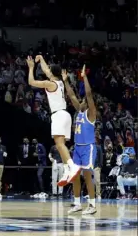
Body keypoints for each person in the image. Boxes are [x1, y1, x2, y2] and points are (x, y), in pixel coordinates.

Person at [27, 55, 80, 186]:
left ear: (52, 73)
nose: (47, 70)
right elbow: (46, 70)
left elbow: (31, 82)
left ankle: (72, 166)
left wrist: (31, 67)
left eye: (49, 69)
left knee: (59, 144)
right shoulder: (59, 82)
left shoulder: (50, 83)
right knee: (61, 145)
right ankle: (68, 170)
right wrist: (41, 59)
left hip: (58, 115)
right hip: (65, 114)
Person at [63, 66, 97, 215]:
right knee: (74, 176)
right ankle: (77, 203)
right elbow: (71, 96)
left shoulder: (91, 114)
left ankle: (92, 205)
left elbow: (89, 94)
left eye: (84, 101)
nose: (81, 102)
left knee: (87, 176)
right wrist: (66, 81)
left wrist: (84, 77)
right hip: (77, 148)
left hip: (88, 147)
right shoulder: (79, 112)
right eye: (81, 101)